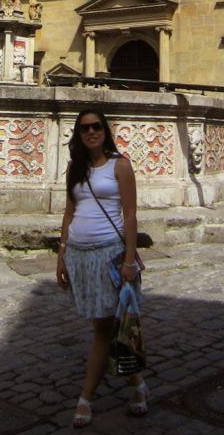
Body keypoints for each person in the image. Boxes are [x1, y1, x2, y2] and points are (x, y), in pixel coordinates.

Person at [56, 108, 147, 427]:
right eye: (84, 128)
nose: (91, 132)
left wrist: (128, 259)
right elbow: (69, 212)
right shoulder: (74, 168)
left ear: (105, 131)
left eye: (96, 127)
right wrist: (61, 252)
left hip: (110, 254)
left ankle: (85, 398)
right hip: (80, 256)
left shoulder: (120, 165)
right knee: (108, 327)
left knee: (103, 328)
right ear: (78, 135)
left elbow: (130, 215)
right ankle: (136, 384)